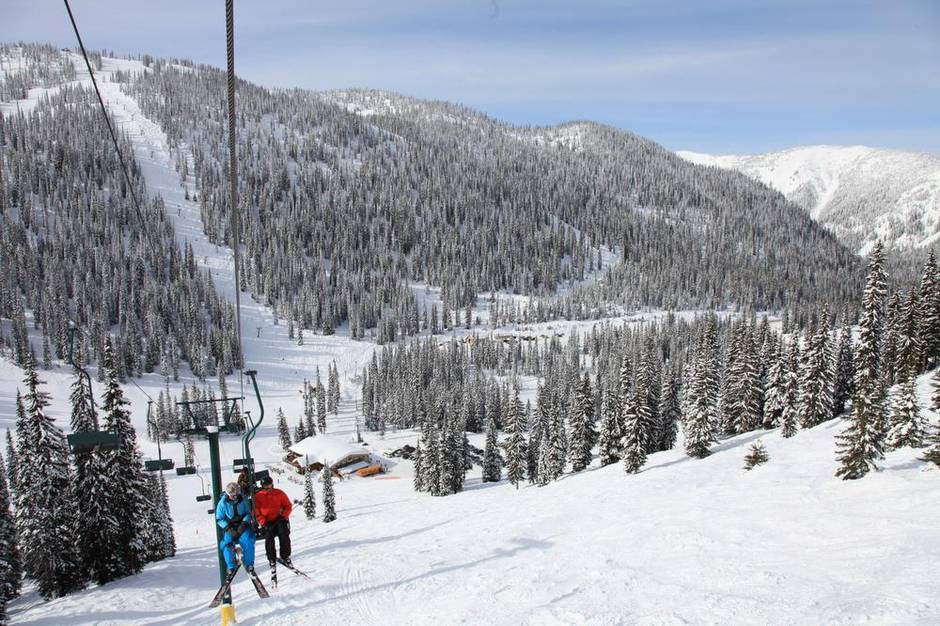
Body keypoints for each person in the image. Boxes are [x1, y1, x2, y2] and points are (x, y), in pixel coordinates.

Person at [216, 482, 256, 574]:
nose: (235, 497)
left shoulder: (243, 500)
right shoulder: (222, 503)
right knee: (227, 543)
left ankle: (249, 563)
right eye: (232, 495)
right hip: (230, 527)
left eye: (236, 495)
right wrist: (228, 529)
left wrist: (244, 524)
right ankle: (230, 565)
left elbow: (248, 513)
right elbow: (219, 519)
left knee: (248, 540)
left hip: (242, 525)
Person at [254, 475, 293, 568]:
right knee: (269, 536)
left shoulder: (279, 493)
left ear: (272, 485)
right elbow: (256, 512)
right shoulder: (258, 496)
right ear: (262, 486)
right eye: (265, 487)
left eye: (269, 486)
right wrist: (263, 522)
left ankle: (285, 555)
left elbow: (288, 506)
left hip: (279, 519)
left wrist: (283, 516)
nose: (268, 488)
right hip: (267, 522)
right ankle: (271, 557)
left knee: (284, 534)